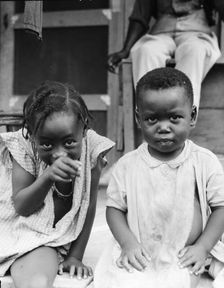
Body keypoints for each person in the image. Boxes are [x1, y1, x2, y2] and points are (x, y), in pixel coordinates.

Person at [93, 68, 224, 288]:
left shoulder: (204, 161)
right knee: (122, 280)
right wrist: (128, 244)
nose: (163, 127)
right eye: (152, 119)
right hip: (143, 252)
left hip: (188, 253)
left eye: (174, 117)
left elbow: (221, 207)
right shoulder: (127, 165)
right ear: (138, 118)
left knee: (179, 281)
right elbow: (114, 209)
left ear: (192, 116)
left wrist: (202, 247)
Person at [0, 81, 114, 287]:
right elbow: (22, 207)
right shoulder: (24, 147)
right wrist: (47, 177)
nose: (59, 152)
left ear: (84, 129)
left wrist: (76, 256)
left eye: (70, 142)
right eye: (46, 144)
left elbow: (89, 204)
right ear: (32, 135)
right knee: (36, 282)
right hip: (23, 231)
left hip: (58, 238)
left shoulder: (93, 149)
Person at [108, 0, 224, 109]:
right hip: (161, 32)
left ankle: (180, 116)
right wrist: (125, 50)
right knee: (146, 50)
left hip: (196, 32)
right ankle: (150, 115)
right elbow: (139, 17)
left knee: (195, 50)